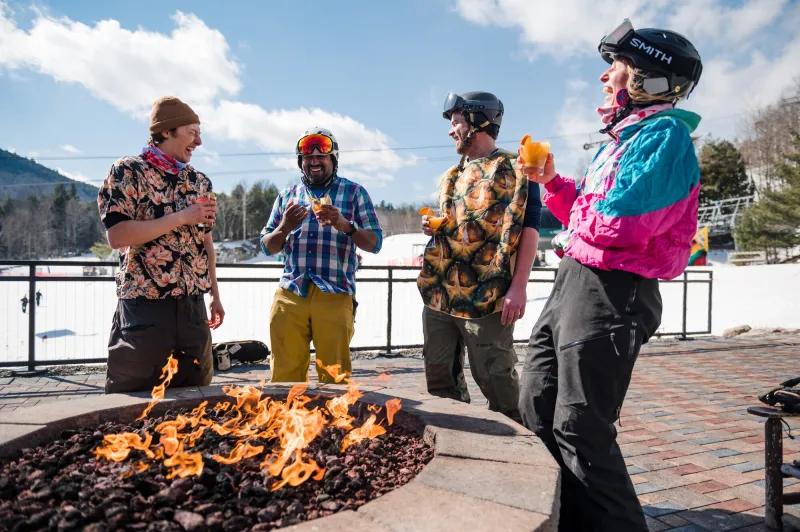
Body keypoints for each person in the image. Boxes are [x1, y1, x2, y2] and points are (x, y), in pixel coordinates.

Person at [517, 20, 703, 531]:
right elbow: (592, 209)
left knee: (581, 426)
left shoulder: (665, 135)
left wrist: (572, 225)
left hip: (613, 290)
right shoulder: (620, 141)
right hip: (574, 282)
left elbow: (626, 223)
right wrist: (552, 182)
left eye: (614, 67)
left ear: (647, 78)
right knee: (536, 403)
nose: (604, 79)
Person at [417, 91, 542, 423]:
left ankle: (520, 446)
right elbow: (457, 223)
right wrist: (435, 228)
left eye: (456, 122)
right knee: (439, 376)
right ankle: (460, 441)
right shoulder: (451, 176)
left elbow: (529, 229)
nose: (450, 130)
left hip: (487, 292)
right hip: (440, 293)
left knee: (496, 378)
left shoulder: (517, 168)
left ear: (478, 122)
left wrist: (519, 286)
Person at [98, 96, 225, 394]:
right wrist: (182, 217)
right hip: (145, 311)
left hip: (193, 313)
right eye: (192, 132)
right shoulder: (128, 171)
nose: (200, 141)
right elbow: (117, 236)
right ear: (167, 131)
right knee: (134, 406)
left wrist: (215, 296)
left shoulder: (200, 181)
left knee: (197, 402)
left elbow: (205, 242)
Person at [260, 128, 382, 383]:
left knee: (334, 376)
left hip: (335, 293)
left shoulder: (354, 193)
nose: (314, 162)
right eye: (308, 158)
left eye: (321, 157)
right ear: (300, 162)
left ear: (333, 160)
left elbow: (374, 244)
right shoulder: (287, 196)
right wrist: (284, 228)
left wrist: (345, 225)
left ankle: (334, 423)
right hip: (291, 293)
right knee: (284, 375)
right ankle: (288, 420)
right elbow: (268, 247)